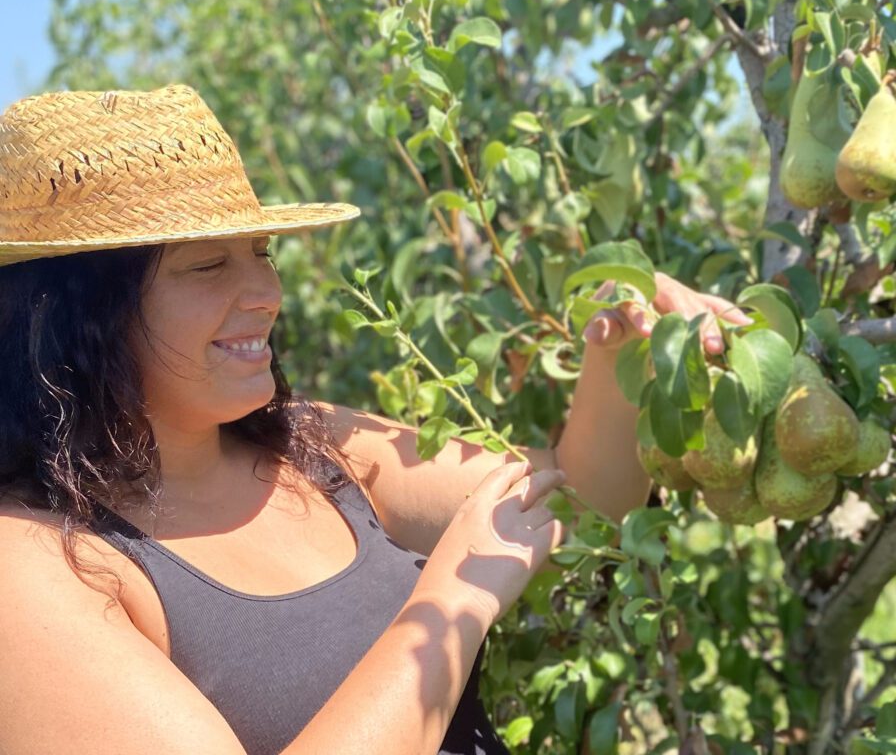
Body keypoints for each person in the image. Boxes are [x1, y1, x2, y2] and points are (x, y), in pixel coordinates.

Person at [0, 84, 746, 755]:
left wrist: (622, 356)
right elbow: (474, 570)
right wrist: (452, 601)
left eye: (261, 252)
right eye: (207, 265)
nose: (265, 289)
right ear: (75, 316)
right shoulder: (33, 565)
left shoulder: (311, 446)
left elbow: (575, 504)